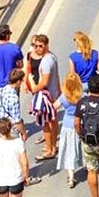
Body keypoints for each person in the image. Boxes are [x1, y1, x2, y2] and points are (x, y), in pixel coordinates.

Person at [24, 34, 61, 162]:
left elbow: (44, 81)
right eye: (35, 46)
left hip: (46, 95)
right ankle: (53, 146)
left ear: (46, 45)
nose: (37, 48)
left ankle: (50, 149)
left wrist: (34, 88)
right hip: (53, 93)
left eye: (40, 46)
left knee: (45, 122)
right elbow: (56, 77)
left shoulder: (45, 61)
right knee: (53, 120)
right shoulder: (53, 57)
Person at [53, 72, 83, 188]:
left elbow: (55, 107)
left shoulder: (64, 97)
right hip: (80, 124)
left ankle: (71, 177)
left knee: (69, 151)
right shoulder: (82, 96)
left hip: (67, 125)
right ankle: (86, 166)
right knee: (81, 147)